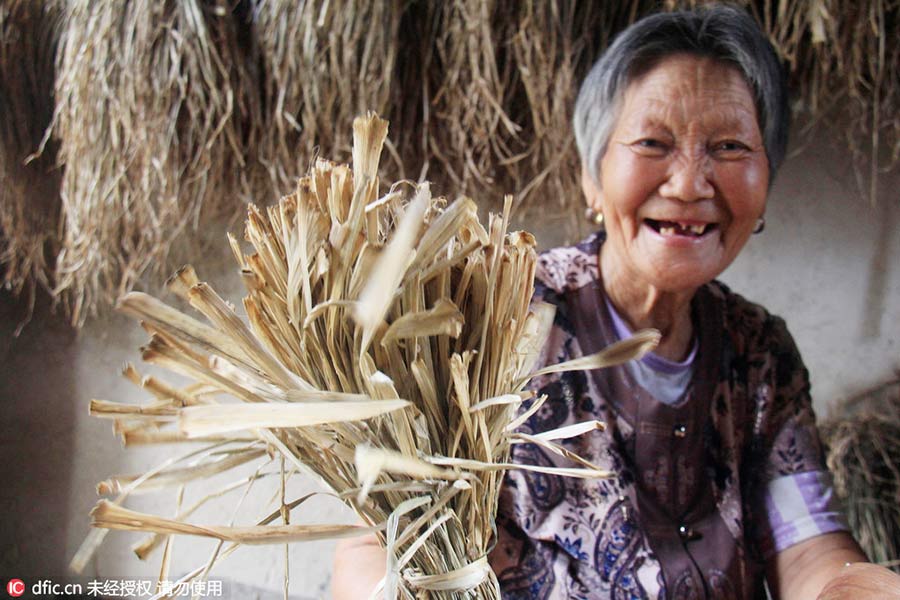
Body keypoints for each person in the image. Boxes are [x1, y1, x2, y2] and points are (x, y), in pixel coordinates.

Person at [334, 5, 900, 598]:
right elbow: (376, 544)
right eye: (653, 143)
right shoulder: (492, 317)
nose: (689, 184)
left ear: (766, 181)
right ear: (592, 176)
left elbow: (809, 545)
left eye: (730, 146)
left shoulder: (760, 352)